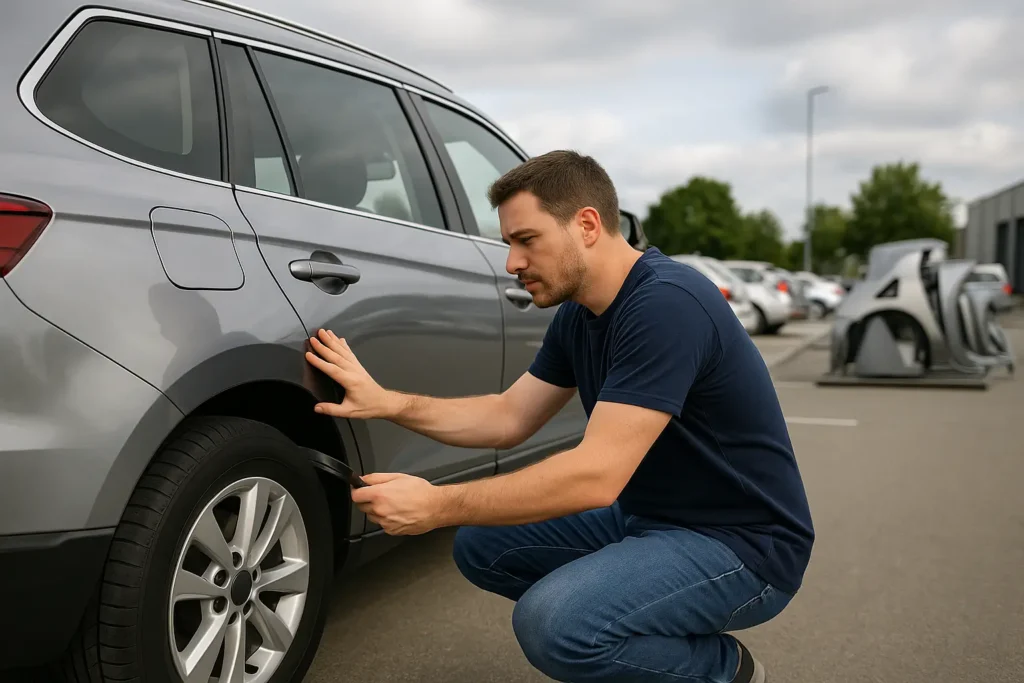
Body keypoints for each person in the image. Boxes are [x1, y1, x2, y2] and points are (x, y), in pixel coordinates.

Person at [304, 150, 814, 683]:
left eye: (527, 240)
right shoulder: (580, 314)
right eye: (508, 244)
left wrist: (438, 503)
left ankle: (725, 670)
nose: (512, 263)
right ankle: (635, 631)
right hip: (649, 520)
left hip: (743, 546)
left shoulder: (668, 304)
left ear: (587, 225)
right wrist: (389, 403)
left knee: (554, 623)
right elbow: (508, 417)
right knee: (482, 546)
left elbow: (596, 476)